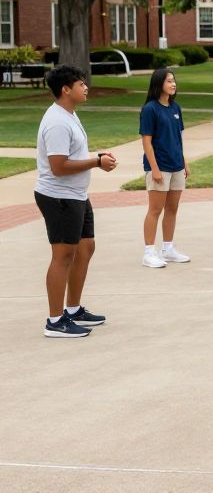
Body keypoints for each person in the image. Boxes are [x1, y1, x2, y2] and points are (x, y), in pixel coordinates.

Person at [34, 65, 118, 338]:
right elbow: (58, 166)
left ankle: (72, 309)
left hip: (75, 195)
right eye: (81, 83)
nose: (86, 87)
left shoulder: (69, 115)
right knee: (63, 255)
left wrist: (96, 154)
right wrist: (96, 161)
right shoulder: (57, 121)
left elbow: (71, 155)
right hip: (59, 197)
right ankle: (55, 321)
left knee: (85, 248)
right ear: (65, 89)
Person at [140, 68, 190, 268]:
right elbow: (146, 141)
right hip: (159, 167)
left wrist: (184, 163)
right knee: (155, 210)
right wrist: (155, 168)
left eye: (174, 80)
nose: (173, 83)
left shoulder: (175, 108)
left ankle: (167, 249)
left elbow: (179, 138)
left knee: (172, 208)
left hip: (176, 166)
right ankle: (148, 252)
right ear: (159, 83)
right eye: (169, 81)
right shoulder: (150, 109)